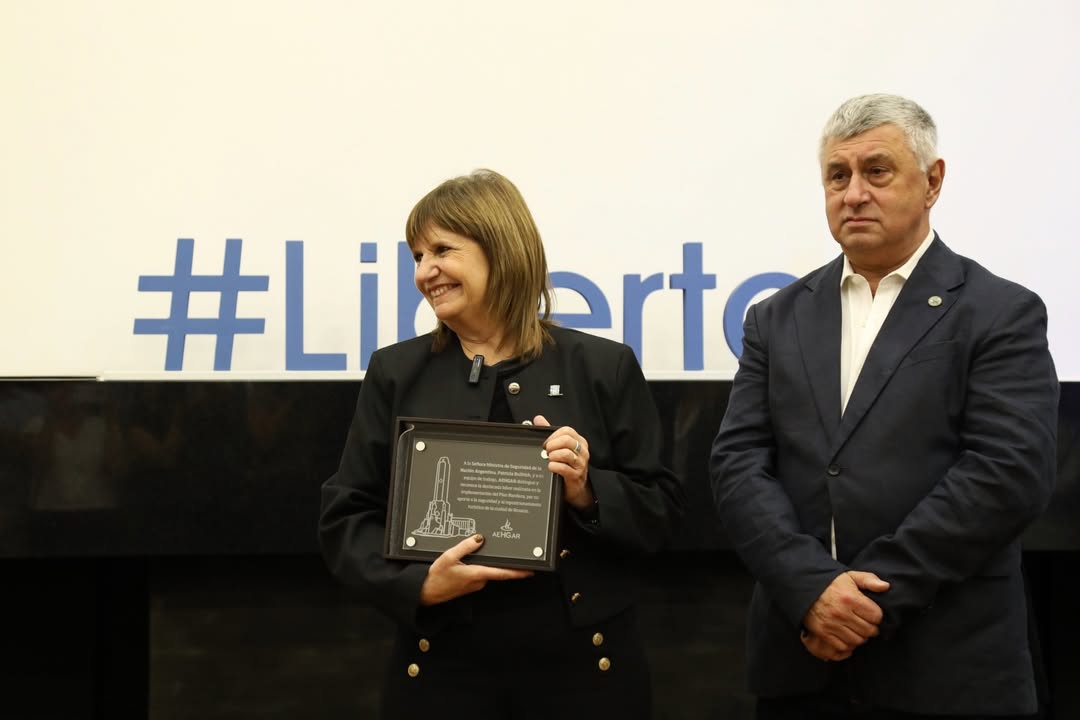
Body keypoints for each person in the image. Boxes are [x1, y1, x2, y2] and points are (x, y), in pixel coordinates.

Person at [710, 94, 1058, 719]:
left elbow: (1007, 474)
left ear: (933, 182)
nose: (854, 194)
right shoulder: (775, 318)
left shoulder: (1000, 312)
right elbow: (738, 465)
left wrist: (866, 601)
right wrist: (811, 589)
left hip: (947, 669)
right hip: (802, 664)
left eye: (877, 171)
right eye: (837, 176)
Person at [320, 169, 684, 719]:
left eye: (442, 250)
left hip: (585, 680)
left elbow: (663, 511)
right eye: (417, 256)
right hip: (443, 680)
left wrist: (587, 491)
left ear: (501, 249)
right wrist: (418, 584)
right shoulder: (395, 372)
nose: (424, 271)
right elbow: (346, 518)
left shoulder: (601, 366)